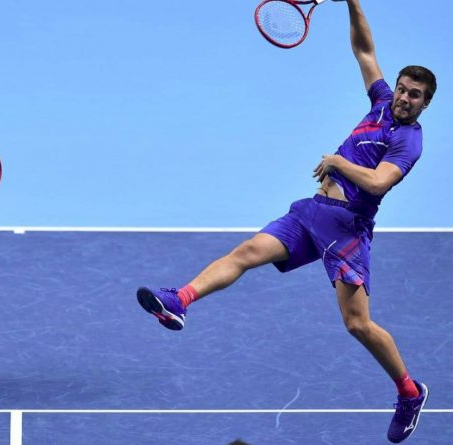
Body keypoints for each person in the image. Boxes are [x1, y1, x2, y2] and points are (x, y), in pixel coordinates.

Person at [136, 1, 435, 443]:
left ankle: (409, 392)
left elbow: (376, 183)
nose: (405, 98)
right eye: (404, 89)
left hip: (348, 229)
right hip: (313, 212)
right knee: (248, 252)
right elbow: (364, 51)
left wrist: (336, 162)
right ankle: (179, 300)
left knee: (357, 325)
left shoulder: (409, 141)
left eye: (415, 95)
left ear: (426, 104)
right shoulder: (380, 102)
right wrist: (352, 2)